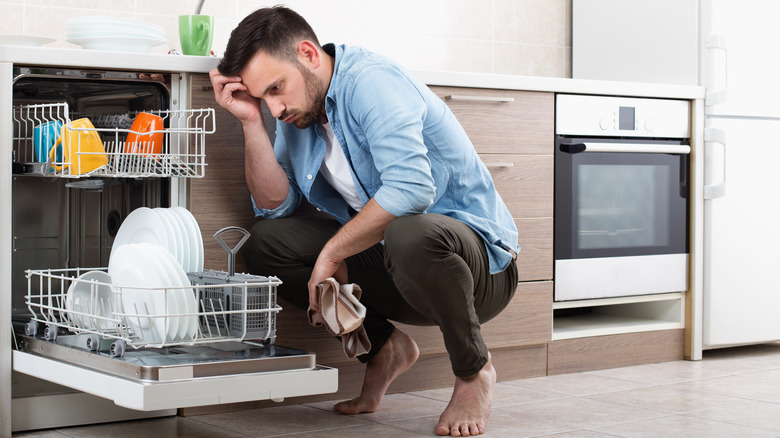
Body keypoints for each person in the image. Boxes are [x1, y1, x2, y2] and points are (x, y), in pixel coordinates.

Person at [209, 6, 519, 437]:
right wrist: (250, 121)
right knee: (266, 242)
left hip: (477, 269)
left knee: (410, 230)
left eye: (277, 89)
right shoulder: (297, 112)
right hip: (398, 265)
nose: (276, 108)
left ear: (309, 54)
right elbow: (274, 206)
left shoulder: (371, 82)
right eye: (265, 98)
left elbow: (411, 191)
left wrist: (332, 253)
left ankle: (474, 371)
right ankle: (383, 349)